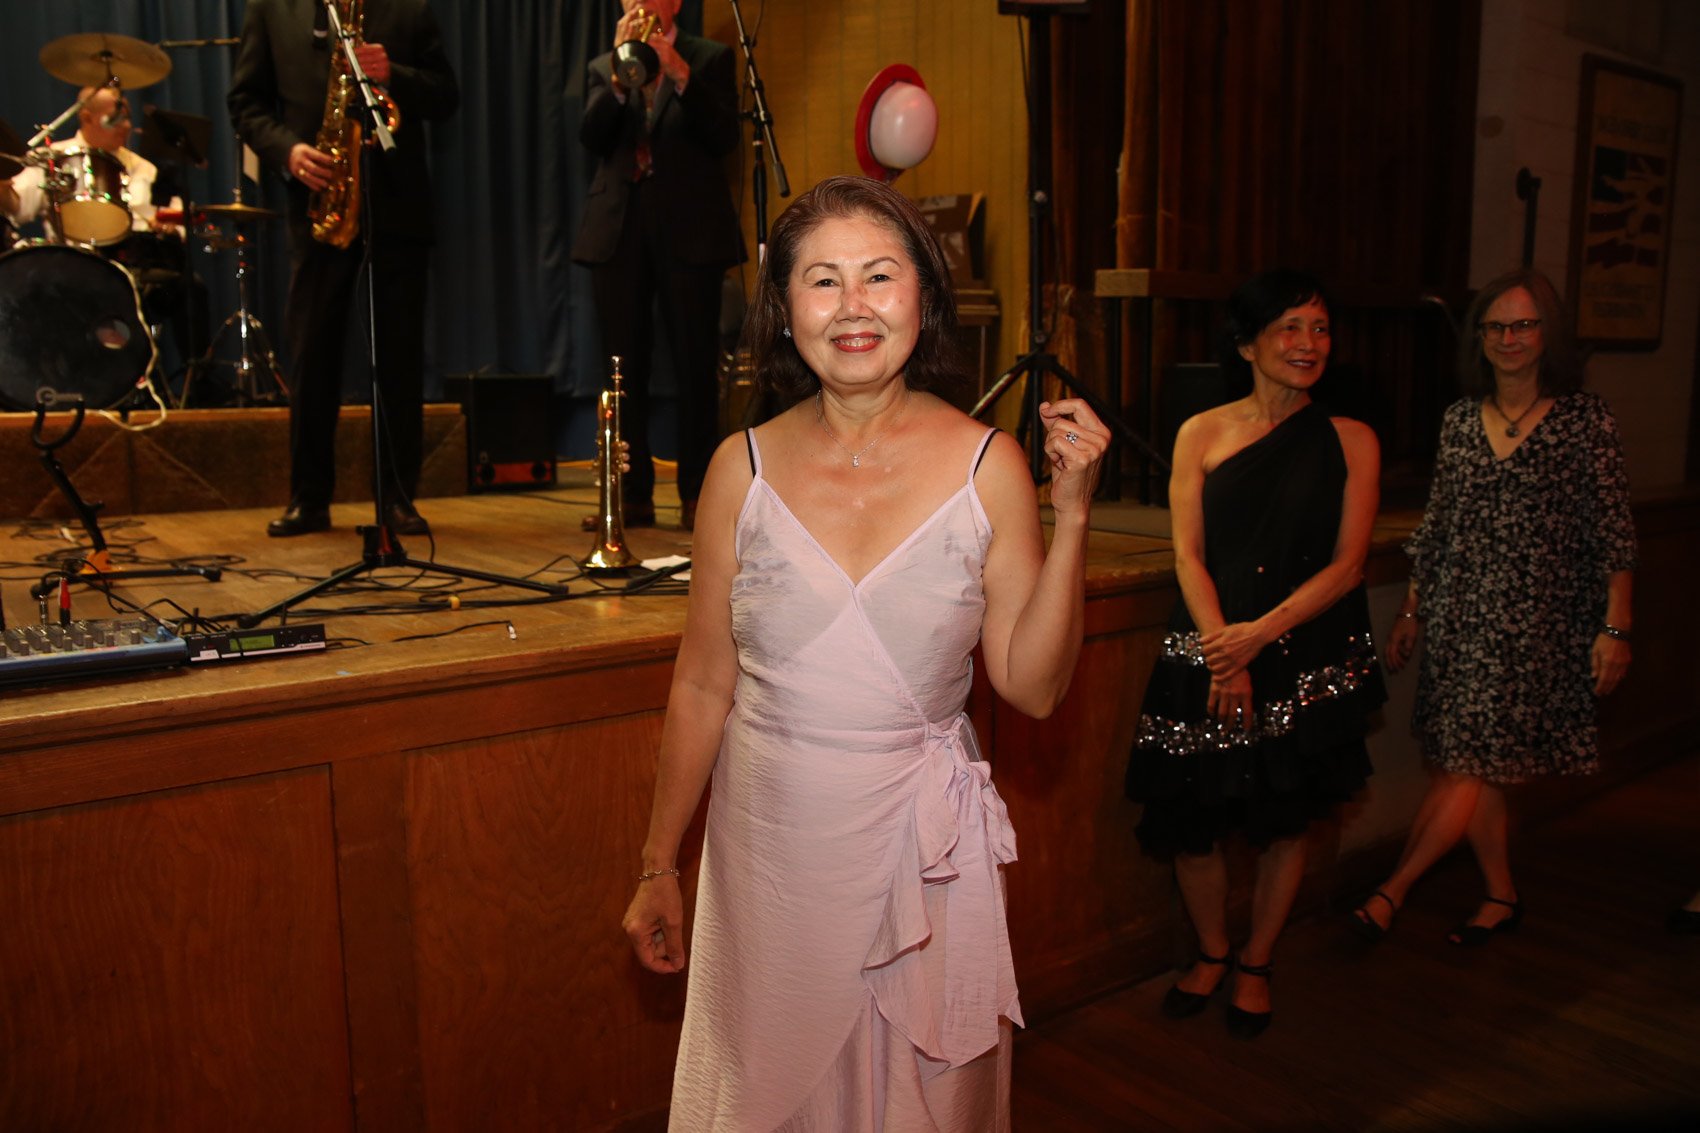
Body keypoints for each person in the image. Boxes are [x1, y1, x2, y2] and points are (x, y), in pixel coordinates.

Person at [619, 175, 1107, 1130]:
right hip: (769, 856)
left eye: (879, 276)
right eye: (823, 280)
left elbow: (1034, 687)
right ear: (784, 308)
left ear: (924, 297)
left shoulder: (989, 465)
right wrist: (656, 862)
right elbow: (703, 684)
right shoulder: (739, 469)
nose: (853, 306)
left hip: (917, 856)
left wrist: (1076, 514)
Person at [1124, 270, 1385, 1039]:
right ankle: (1211, 951)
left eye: (1320, 328)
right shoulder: (1200, 431)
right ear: (1246, 344)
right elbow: (1187, 552)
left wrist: (1257, 637)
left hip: (1299, 645)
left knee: (1286, 818)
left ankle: (1257, 961)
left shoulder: (1352, 439)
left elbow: (1349, 565)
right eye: (1290, 327)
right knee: (1192, 816)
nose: (1309, 343)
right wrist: (1224, 651)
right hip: (1208, 643)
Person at [1352, 268, 1636, 947]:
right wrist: (1412, 610)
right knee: (1476, 766)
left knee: (1470, 766)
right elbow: (1439, 525)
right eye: (1495, 326)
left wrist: (1616, 626)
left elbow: (1614, 531)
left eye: (1524, 324)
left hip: (1536, 628)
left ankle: (1392, 891)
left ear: (1548, 334)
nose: (1509, 338)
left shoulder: (1584, 420)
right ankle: (1501, 894)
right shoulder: (1459, 420)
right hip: (1460, 621)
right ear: (1479, 338)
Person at [228, 0, 459, 537]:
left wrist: (393, 73)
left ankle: (397, 498)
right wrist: (288, 152)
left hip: (396, 208)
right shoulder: (272, 9)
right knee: (313, 359)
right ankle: (308, 499)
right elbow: (245, 102)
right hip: (319, 209)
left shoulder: (408, 8)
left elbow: (446, 95)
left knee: (398, 359)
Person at [572, 0, 745, 532]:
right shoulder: (602, 64)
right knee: (622, 367)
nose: (640, 3)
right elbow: (591, 137)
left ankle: (698, 494)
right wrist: (618, 83)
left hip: (690, 227)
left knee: (696, 363)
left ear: (675, 4)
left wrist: (680, 74)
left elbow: (724, 136)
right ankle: (632, 495)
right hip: (619, 228)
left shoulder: (709, 57)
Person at [2, 87, 180, 242]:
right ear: (87, 118)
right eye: (116, 119)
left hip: (140, 261)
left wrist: (172, 227)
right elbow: (19, 208)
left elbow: (176, 216)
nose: (126, 126)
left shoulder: (145, 168)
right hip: (72, 262)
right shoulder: (51, 158)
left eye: (128, 118)